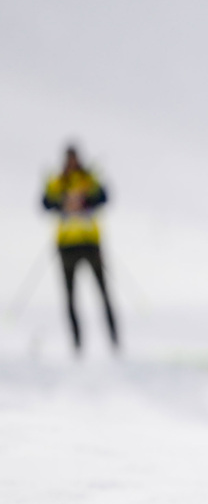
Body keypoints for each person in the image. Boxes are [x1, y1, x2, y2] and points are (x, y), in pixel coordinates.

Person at [41, 143, 119, 352]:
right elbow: (45, 203)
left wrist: (85, 202)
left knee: (103, 293)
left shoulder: (89, 178)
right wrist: (63, 203)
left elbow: (104, 197)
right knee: (70, 297)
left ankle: (114, 340)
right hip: (67, 245)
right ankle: (77, 344)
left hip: (90, 243)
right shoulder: (58, 181)